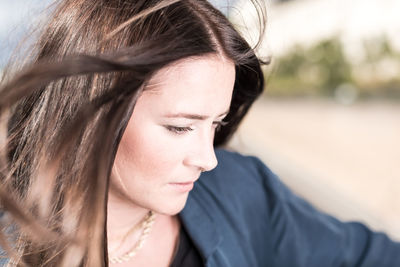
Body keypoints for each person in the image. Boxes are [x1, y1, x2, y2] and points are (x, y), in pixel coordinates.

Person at [0, 0, 399, 266]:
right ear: (90, 115)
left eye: (217, 124)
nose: (208, 159)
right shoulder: (10, 247)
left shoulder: (239, 187)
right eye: (180, 127)